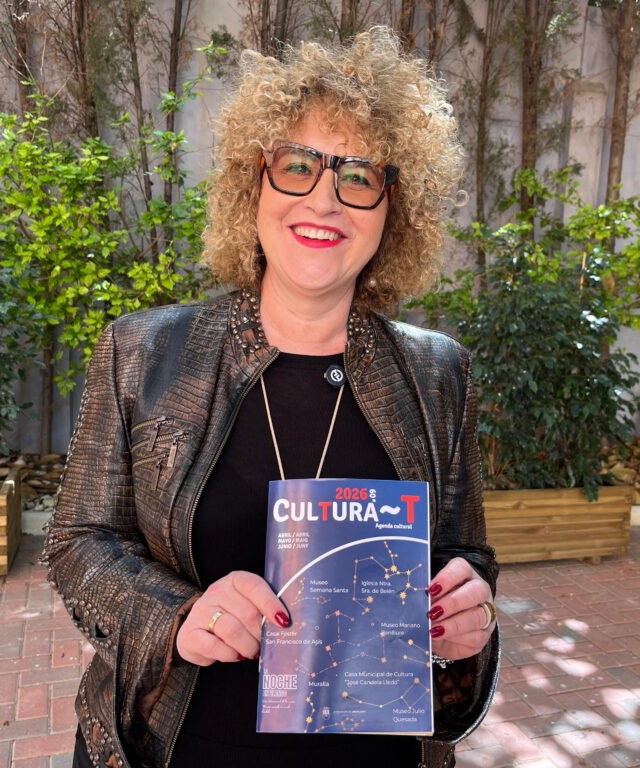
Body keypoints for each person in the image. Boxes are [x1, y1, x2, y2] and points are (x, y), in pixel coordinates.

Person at [44, 27, 500, 768]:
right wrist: (179, 616)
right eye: (297, 166)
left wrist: (466, 614)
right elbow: (77, 542)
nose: (325, 199)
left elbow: (464, 555)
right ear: (252, 184)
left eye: (358, 177)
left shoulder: (438, 374)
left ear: (394, 207)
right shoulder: (143, 353)